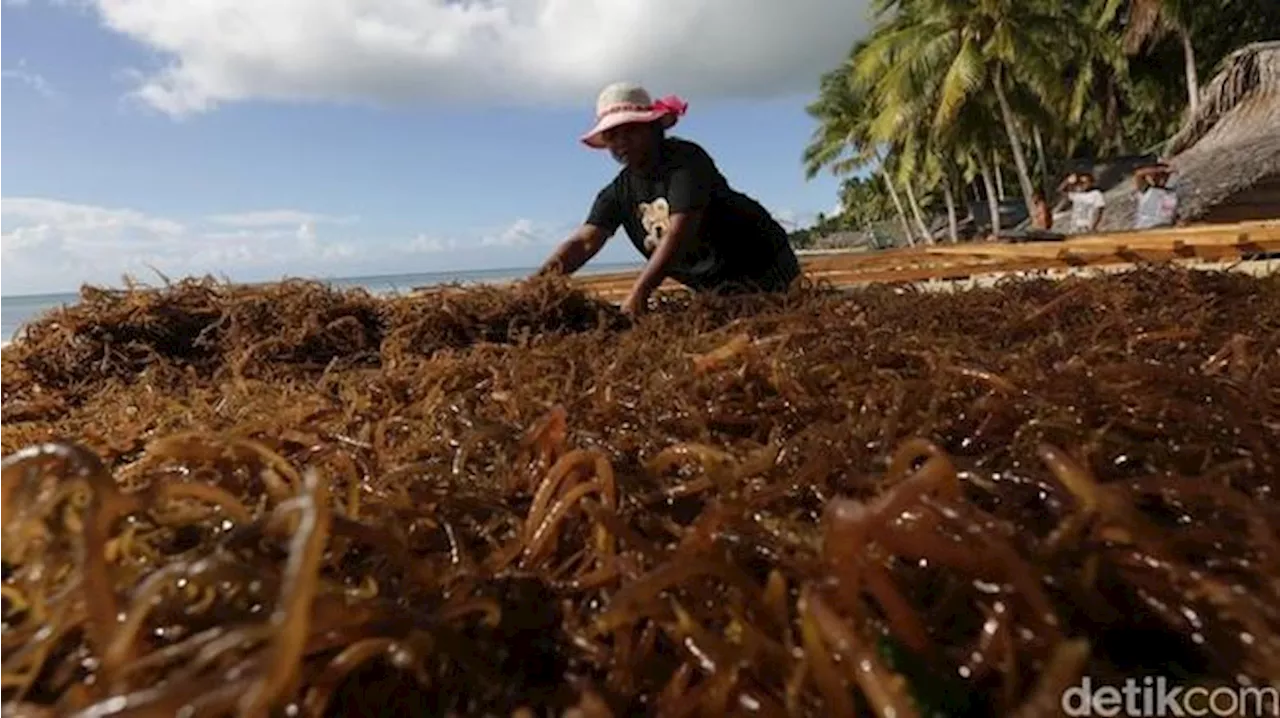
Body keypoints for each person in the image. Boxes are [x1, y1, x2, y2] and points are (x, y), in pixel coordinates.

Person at [535, 82, 802, 317]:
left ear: (652, 127)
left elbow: (679, 232)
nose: (621, 142)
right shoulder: (618, 192)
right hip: (713, 287)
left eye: (630, 130)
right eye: (612, 135)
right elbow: (584, 242)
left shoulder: (685, 161)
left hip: (763, 266)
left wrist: (639, 293)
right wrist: (536, 286)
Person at [1133, 163, 1179, 230]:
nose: (1161, 178)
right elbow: (1139, 173)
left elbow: (1170, 213)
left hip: (1166, 229)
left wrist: (1177, 220)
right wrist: (1162, 169)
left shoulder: (1171, 193)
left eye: (1164, 175)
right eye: (1157, 175)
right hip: (1146, 229)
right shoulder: (1146, 189)